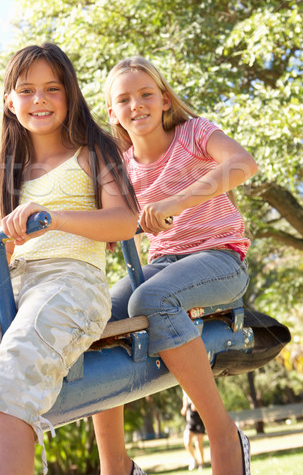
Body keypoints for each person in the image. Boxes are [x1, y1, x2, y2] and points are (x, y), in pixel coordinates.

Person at [0, 43, 138, 475]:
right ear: (9, 102)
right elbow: (9, 259)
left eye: (53, 88)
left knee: (9, 380)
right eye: (27, 90)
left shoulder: (94, 150)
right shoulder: (12, 168)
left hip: (72, 284)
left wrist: (54, 218)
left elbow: (124, 222)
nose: (39, 99)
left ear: (70, 95)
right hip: (11, 289)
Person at [92, 57, 257, 475]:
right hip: (163, 265)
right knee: (93, 316)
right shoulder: (122, 170)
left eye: (146, 94)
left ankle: (222, 434)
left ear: (164, 100)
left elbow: (243, 164)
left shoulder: (193, 134)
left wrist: (175, 203)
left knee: (151, 298)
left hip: (220, 258)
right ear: (113, 113)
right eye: (124, 99)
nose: (137, 105)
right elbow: (110, 229)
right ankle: (117, 466)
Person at [181, 392, 205, 471]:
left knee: (198, 444)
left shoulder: (197, 392)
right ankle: (194, 459)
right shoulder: (185, 396)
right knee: (187, 442)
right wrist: (184, 408)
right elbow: (183, 411)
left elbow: (198, 407)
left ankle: (201, 464)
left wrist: (195, 403)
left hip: (200, 422)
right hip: (190, 422)